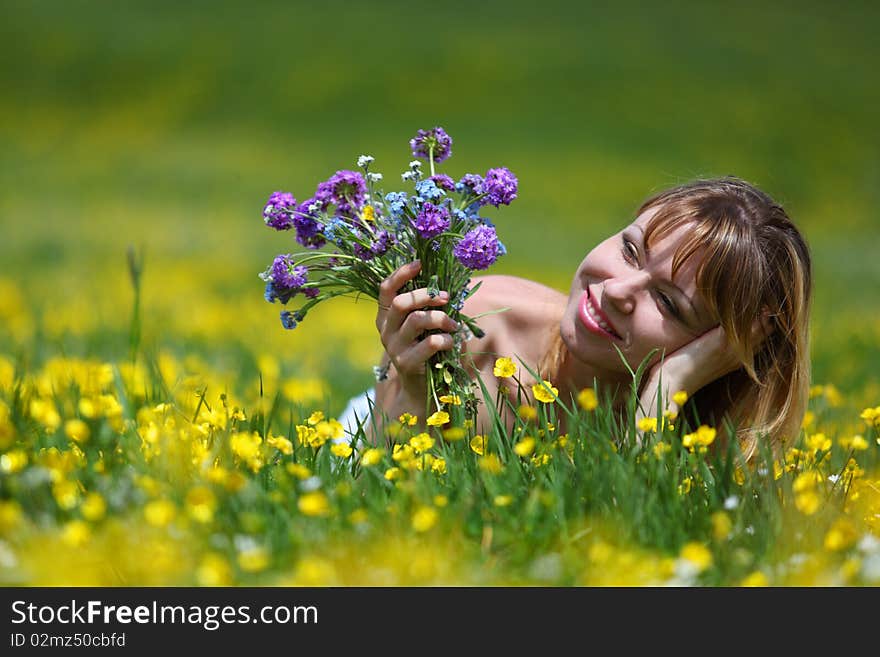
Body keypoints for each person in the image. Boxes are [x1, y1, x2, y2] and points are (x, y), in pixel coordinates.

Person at [347, 176, 811, 462]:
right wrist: (413, 387)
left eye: (668, 304)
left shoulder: (717, 434)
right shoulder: (477, 328)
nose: (616, 290)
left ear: (722, 348)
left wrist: (668, 387)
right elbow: (372, 482)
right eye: (630, 250)